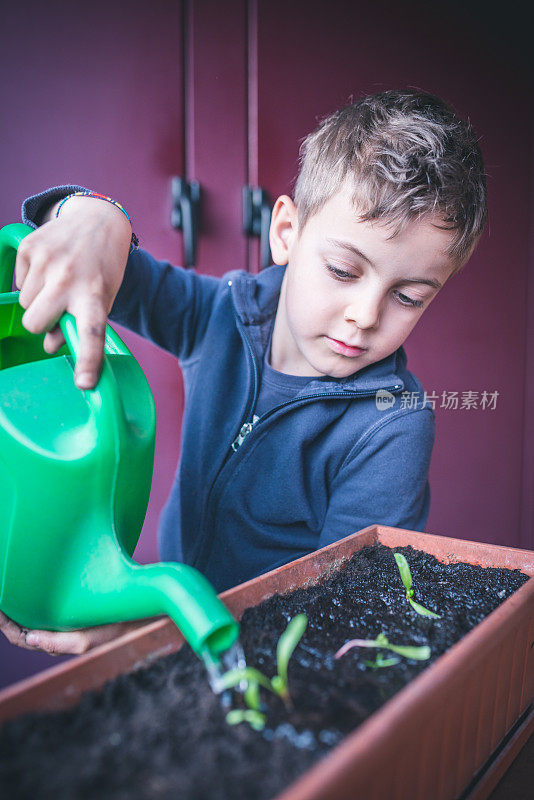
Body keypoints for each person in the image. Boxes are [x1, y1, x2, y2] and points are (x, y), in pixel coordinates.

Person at [0, 89, 487, 657]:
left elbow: (345, 621)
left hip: (271, 665)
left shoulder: (392, 429)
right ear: (286, 232)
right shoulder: (220, 314)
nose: (366, 316)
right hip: (179, 626)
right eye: (342, 269)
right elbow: (108, 267)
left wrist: (162, 638)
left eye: (407, 297)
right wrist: (92, 213)